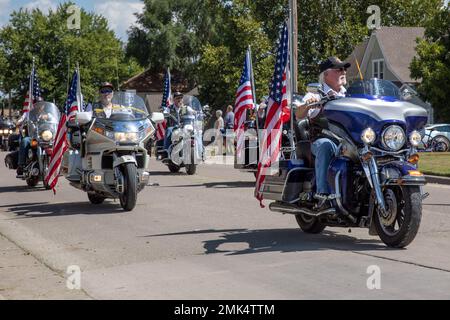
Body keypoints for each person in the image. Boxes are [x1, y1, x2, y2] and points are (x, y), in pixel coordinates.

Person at [296, 56, 350, 210]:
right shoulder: (317, 94)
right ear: (325, 75)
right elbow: (298, 114)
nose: (343, 71)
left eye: (344, 69)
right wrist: (307, 105)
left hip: (348, 142)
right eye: (339, 69)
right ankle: (323, 196)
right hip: (323, 140)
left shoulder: (349, 96)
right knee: (326, 146)